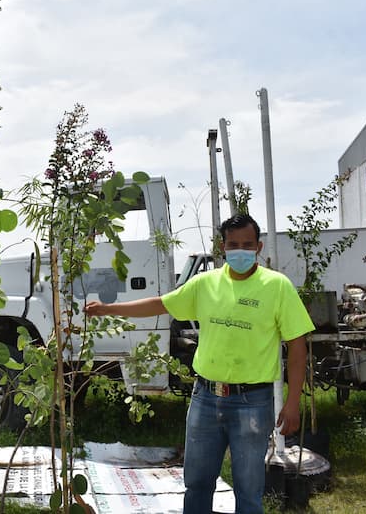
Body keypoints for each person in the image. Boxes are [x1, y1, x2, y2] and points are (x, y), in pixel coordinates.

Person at [84, 214, 312, 514]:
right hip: (205, 398)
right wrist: (107, 309)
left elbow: (297, 347)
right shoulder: (205, 283)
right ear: (223, 247)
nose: (240, 251)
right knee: (197, 484)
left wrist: (293, 402)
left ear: (258, 246)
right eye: (233, 245)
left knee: (248, 490)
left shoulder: (277, 286)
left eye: (247, 244)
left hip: (252, 402)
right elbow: (161, 303)